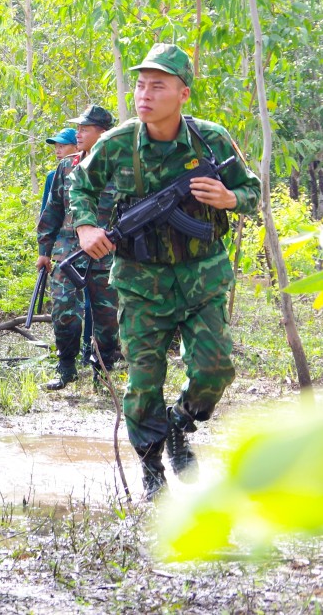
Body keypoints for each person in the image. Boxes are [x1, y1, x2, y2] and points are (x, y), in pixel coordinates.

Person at [69, 43, 259, 500]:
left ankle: (179, 423)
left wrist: (229, 199)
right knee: (143, 382)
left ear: (183, 94)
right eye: (140, 84)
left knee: (215, 368)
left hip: (202, 277)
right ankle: (152, 469)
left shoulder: (210, 139)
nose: (145, 94)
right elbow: (80, 185)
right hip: (140, 282)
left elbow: (251, 190)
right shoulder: (117, 144)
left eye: (158, 85)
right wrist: (86, 226)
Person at [37, 106, 123, 389]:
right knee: (64, 311)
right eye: (78, 128)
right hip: (67, 253)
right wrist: (44, 251)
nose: (78, 133)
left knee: (107, 317)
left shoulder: (120, 170)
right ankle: (66, 368)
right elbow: (53, 210)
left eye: (85, 129)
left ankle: (103, 371)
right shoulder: (67, 167)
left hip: (106, 254)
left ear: (104, 133)